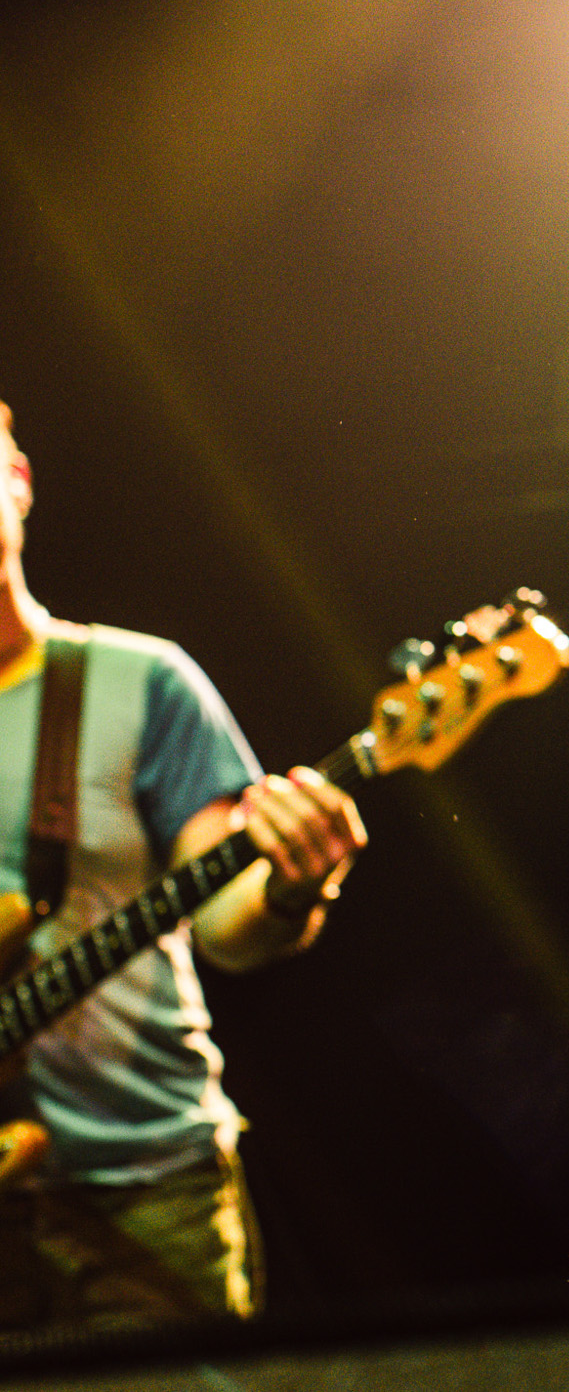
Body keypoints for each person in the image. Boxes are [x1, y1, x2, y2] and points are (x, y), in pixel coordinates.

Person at [0, 402, 367, 1338]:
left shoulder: (141, 682)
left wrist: (289, 884)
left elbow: (226, 926)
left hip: (149, 1193)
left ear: (20, 480)